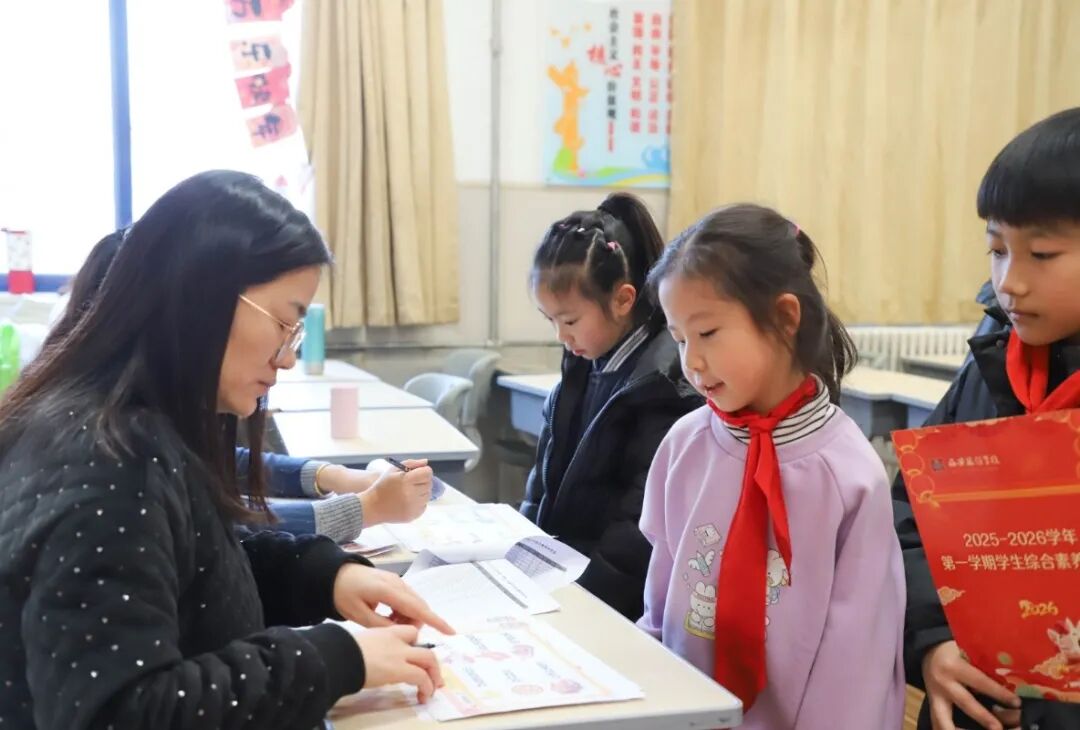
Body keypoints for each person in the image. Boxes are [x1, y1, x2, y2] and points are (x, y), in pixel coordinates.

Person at [0, 170, 453, 729]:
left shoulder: (134, 426)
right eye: (284, 323)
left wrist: (320, 576)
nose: (288, 356)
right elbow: (121, 712)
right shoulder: (110, 462)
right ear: (202, 297)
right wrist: (335, 659)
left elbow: (193, 567)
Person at [639, 203, 905, 728]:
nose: (691, 361)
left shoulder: (849, 475)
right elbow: (662, 602)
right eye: (679, 339)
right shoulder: (685, 444)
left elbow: (857, 663)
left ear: (784, 318)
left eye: (707, 333)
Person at [49, 230, 433, 543]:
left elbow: (225, 463)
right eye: (281, 323)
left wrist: (336, 477)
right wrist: (367, 507)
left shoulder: (134, 409)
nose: (286, 358)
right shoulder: (112, 453)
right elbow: (227, 531)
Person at [895, 108, 1080, 730]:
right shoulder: (993, 364)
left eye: (1042, 253)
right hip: (979, 702)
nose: (1009, 283)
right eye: (997, 250)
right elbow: (910, 516)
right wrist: (932, 642)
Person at [519, 193, 702, 620]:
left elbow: (635, 533)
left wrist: (579, 603)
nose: (561, 336)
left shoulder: (665, 391)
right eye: (550, 321)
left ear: (622, 300)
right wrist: (522, 558)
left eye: (570, 320)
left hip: (611, 603)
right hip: (562, 582)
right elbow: (540, 486)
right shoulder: (580, 371)